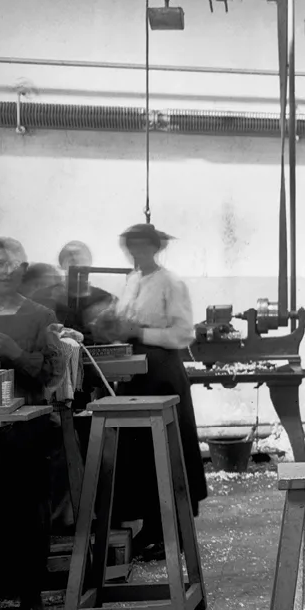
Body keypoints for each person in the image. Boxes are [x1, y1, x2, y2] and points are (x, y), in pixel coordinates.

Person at [91, 223, 207, 559]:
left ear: (155, 248)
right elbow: (124, 320)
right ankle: (151, 529)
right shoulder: (132, 280)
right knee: (139, 454)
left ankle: (170, 532)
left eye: (143, 247)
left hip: (161, 371)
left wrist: (138, 330)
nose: (137, 253)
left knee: (165, 448)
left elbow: (184, 333)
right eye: (131, 247)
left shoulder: (170, 282)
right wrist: (111, 325)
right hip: (135, 370)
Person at [0, 237, 62, 610]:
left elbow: (49, 374)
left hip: (25, 427)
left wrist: (15, 352)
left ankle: (30, 594)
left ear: (23, 269)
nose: (6, 270)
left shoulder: (40, 315)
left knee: (26, 506)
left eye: (13, 263)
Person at [56, 240, 114, 336]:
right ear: (61, 264)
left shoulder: (105, 298)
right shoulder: (51, 297)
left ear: (90, 262)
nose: (75, 258)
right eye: (70, 255)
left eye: (81, 256)